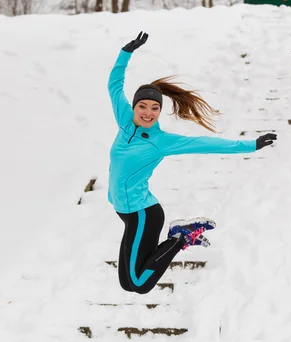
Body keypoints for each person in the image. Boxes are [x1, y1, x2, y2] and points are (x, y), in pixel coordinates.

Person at [107, 31, 277, 295]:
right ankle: (181, 236)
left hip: (143, 214)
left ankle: (182, 237)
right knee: (127, 283)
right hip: (127, 214)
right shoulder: (124, 121)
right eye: (143, 106)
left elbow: (205, 144)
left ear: (160, 111)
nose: (149, 112)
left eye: (155, 108)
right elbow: (114, 85)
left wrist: (250, 145)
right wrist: (125, 53)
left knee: (139, 284)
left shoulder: (160, 141)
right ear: (135, 107)